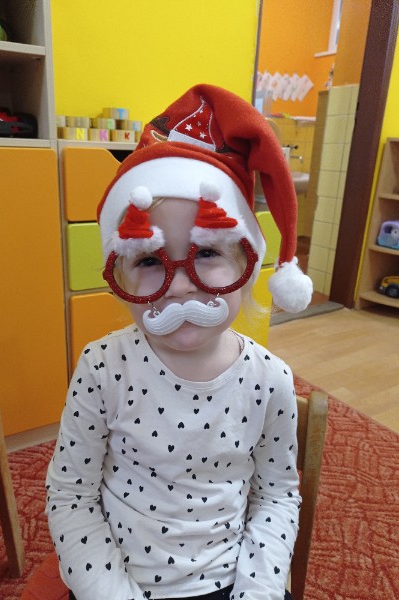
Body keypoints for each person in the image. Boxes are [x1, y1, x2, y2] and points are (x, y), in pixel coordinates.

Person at [46, 84, 313, 600]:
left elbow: (278, 495)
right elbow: (70, 494)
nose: (181, 285)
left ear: (248, 262)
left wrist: (257, 590)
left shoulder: (270, 379)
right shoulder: (102, 368)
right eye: (150, 260)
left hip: (230, 582)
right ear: (119, 276)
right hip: (116, 583)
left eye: (207, 252)